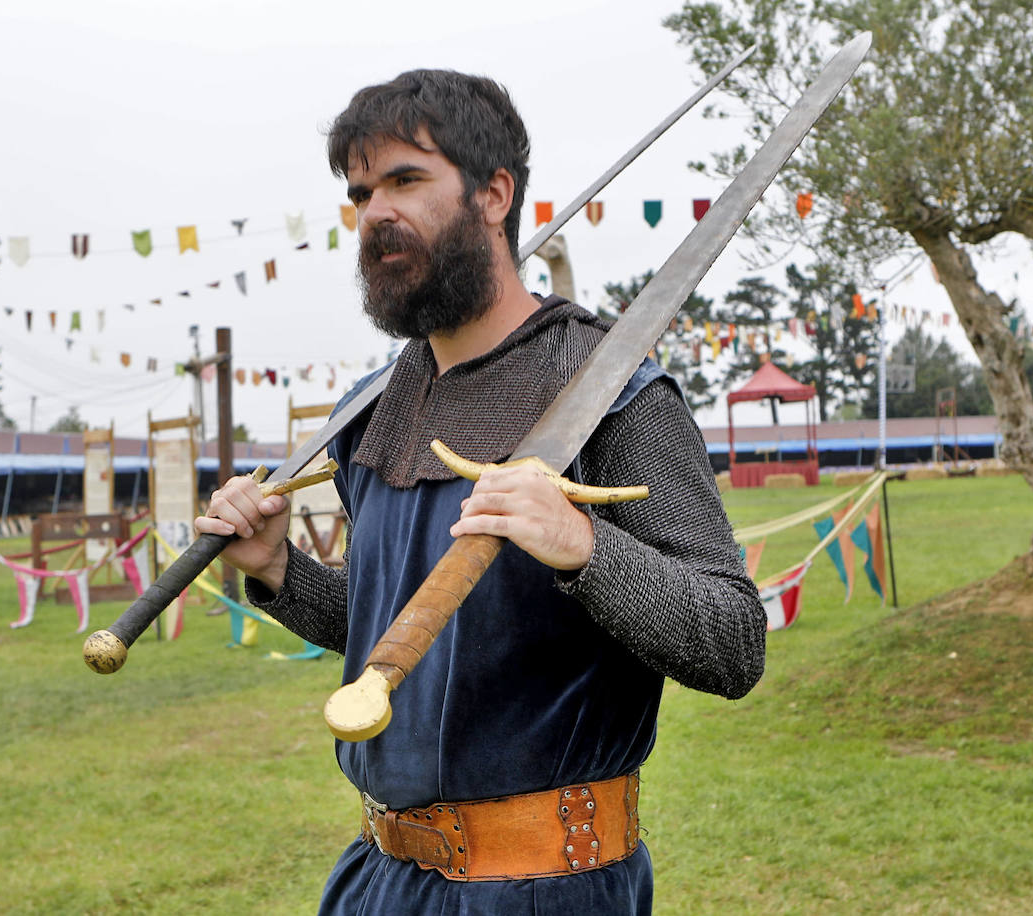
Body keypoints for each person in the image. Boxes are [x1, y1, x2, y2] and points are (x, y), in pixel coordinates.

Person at [195, 68, 766, 915]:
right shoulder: (376, 408)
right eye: (360, 193)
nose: (375, 212)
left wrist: (586, 547)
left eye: (406, 180)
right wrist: (279, 570)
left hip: (544, 888)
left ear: (494, 193)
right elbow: (399, 629)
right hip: (378, 878)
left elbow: (732, 644)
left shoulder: (609, 392)